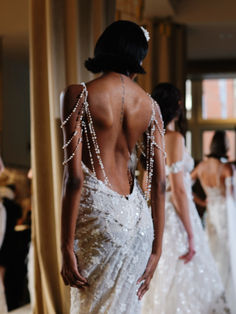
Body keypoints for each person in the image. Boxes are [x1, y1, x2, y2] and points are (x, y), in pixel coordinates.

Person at [60, 20, 166, 314]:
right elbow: (159, 183)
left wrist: (66, 246)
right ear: (137, 57)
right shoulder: (151, 106)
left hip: (99, 214)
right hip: (139, 220)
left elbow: (73, 179)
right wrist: (158, 249)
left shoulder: (77, 94)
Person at [142, 83, 229, 314]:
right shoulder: (175, 138)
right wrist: (191, 234)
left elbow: (146, 183)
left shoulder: (150, 136)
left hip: (156, 213)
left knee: (161, 276)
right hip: (176, 214)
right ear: (178, 107)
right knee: (182, 274)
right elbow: (179, 190)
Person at [191, 130, 236, 313]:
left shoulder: (201, 167)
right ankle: (226, 294)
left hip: (210, 214)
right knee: (227, 253)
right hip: (226, 216)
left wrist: (203, 202)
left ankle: (212, 292)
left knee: (211, 251)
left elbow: (184, 185)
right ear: (225, 146)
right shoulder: (227, 169)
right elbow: (232, 198)